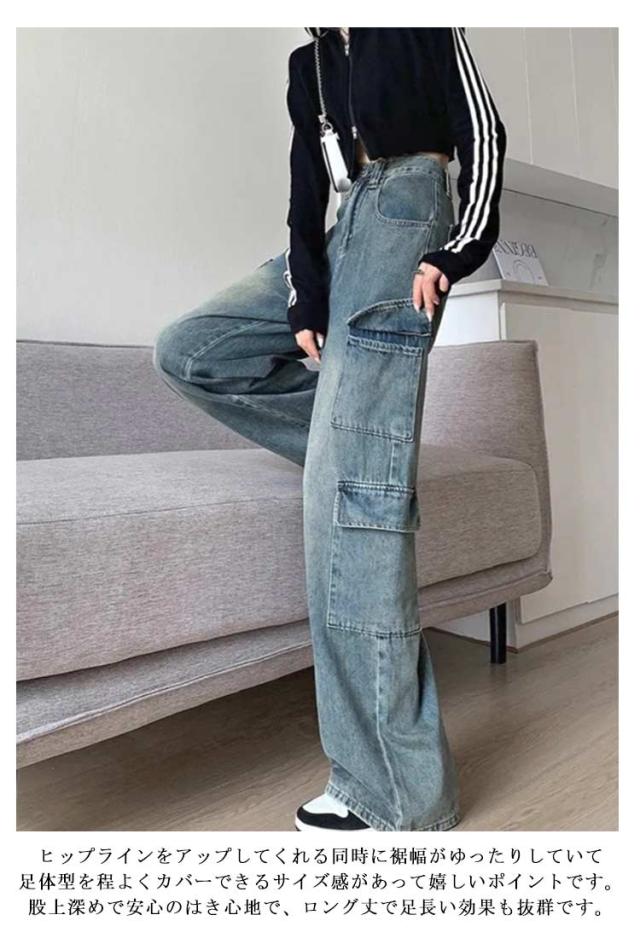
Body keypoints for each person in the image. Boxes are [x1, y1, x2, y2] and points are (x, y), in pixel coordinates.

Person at [153, 27, 507, 832]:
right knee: (191, 350)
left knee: (344, 504)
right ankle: (362, 446)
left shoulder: (418, 24)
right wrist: (303, 297)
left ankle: (395, 793)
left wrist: (458, 251)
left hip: (409, 213)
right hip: (342, 229)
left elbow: (482, 134)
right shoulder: (306, 64)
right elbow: (303, 188)